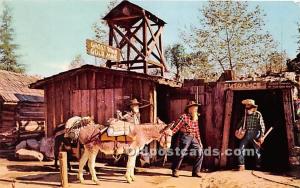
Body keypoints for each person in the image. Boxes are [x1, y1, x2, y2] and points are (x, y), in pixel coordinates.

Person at [170, 100, 204, 178]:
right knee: (181, 153)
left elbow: (197, 130)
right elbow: (176, 127)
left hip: (193, 137)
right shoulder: (184, 117)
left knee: (200, 151)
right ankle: (175, 170)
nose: (196, 109)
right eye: (194, 107)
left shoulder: (195, 117)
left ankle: (196, 172)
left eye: (196, 107)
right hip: (184, 136)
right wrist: (170, 134)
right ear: (190, 108)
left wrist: (200, 142)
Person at [237, 99, 265, 171]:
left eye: (248, 108)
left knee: (257, 150)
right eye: (246, 108)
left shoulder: (258, 114)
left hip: (255, 134)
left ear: (253, 107)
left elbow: (262, 125)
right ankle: (241, 165)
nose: (247, 109)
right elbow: (240, 123)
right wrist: (237, 130)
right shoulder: (245, 115)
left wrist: (262, 136)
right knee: (241, 148)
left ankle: (258, 165)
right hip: (246, 134)